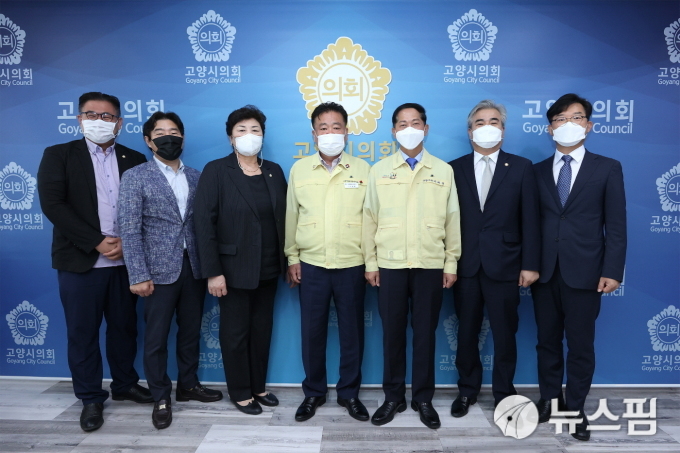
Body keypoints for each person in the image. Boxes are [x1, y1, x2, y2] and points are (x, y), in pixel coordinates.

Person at [37, 92, 151, 432]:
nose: (99, 121)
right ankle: (90, 397)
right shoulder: (59, 155)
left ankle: (125, 384)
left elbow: (144, 208)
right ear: (79, 119)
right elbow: (54, 205)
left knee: (124, 328)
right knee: (82, 332)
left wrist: (128, 244)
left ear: (119, 123)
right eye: (91, 115)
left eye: (107, 116)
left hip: (125, 262)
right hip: (80, 261)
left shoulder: (135, 158)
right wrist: (96, 241)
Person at [118, 112, 223, 430]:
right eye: (161, 132)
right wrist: (138, 274)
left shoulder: (197, 176)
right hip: (157, 272)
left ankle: (188, 385)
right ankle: (161, 395)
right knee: (156, 338)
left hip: (193, 268)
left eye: (175, 132)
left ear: (183, 138)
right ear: (148, 141)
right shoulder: (135, 176)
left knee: (190, 332)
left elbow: (205, 224)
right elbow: (129, 229)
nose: (169, 137)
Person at [532, 93, 627, 441]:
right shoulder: (536, 171)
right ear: (550, 128)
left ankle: (574, 408)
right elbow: (530, 224)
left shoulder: (607, 168)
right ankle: (549, 398)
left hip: (586, 272)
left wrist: (613, 270)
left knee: (581, 344)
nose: (567, 124)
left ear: (588, 125)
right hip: (544, 271)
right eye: (560, 119)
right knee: (546, 341)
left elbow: (616, 225)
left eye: (575, 117)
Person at [363, 103, 461, 429]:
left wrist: (450, 262)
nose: (409, 129)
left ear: (426, 129)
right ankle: (393, 397)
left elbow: (452, 219)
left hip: (430, 263)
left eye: (415, 123)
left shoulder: (442, 171)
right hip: (389, 265)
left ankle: (423, 398)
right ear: (393, 131)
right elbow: (369, 218)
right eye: (402, 124)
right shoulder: (379, 170)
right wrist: (371, 262)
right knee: (392, 334)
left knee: (425, 334)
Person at [448, 100, 540, 417]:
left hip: (506, 264)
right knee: (466, 333)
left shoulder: (522, 167)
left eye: (494, 121)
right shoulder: (453, 169)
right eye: (480, 122)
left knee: (504, 334)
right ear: (470, 131)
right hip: (466, 265)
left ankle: (504, 393)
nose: (487, 127)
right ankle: (467, 390)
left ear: (503, 129)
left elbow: (531, 219)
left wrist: (530, 264)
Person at [194, 105, 287, 415]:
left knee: (262, 331)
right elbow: (203, 224)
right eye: (241, 130)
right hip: (231, 271)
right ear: (230, 138)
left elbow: (283, 219)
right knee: (235, 334)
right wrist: (213, 272)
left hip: (269, 268)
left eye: (255, 130)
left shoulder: (274, 171)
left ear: (263, 135)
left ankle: (258, 386)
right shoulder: (216, 171)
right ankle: (240, 391)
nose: (249, 135)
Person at [285, 102, 371, 423]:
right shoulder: (299, 170)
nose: (330, 133)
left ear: (346, 132)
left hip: (352, 263)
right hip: (311, 264)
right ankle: (314, 392)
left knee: (352, 333)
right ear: (314, 134)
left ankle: (349, 394)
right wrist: (293, 257)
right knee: (312, 333)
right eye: (324, 128)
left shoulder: (363, 170)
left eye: (337, 127)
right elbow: (292, 216)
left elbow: (370, 220)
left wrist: (370, 262)